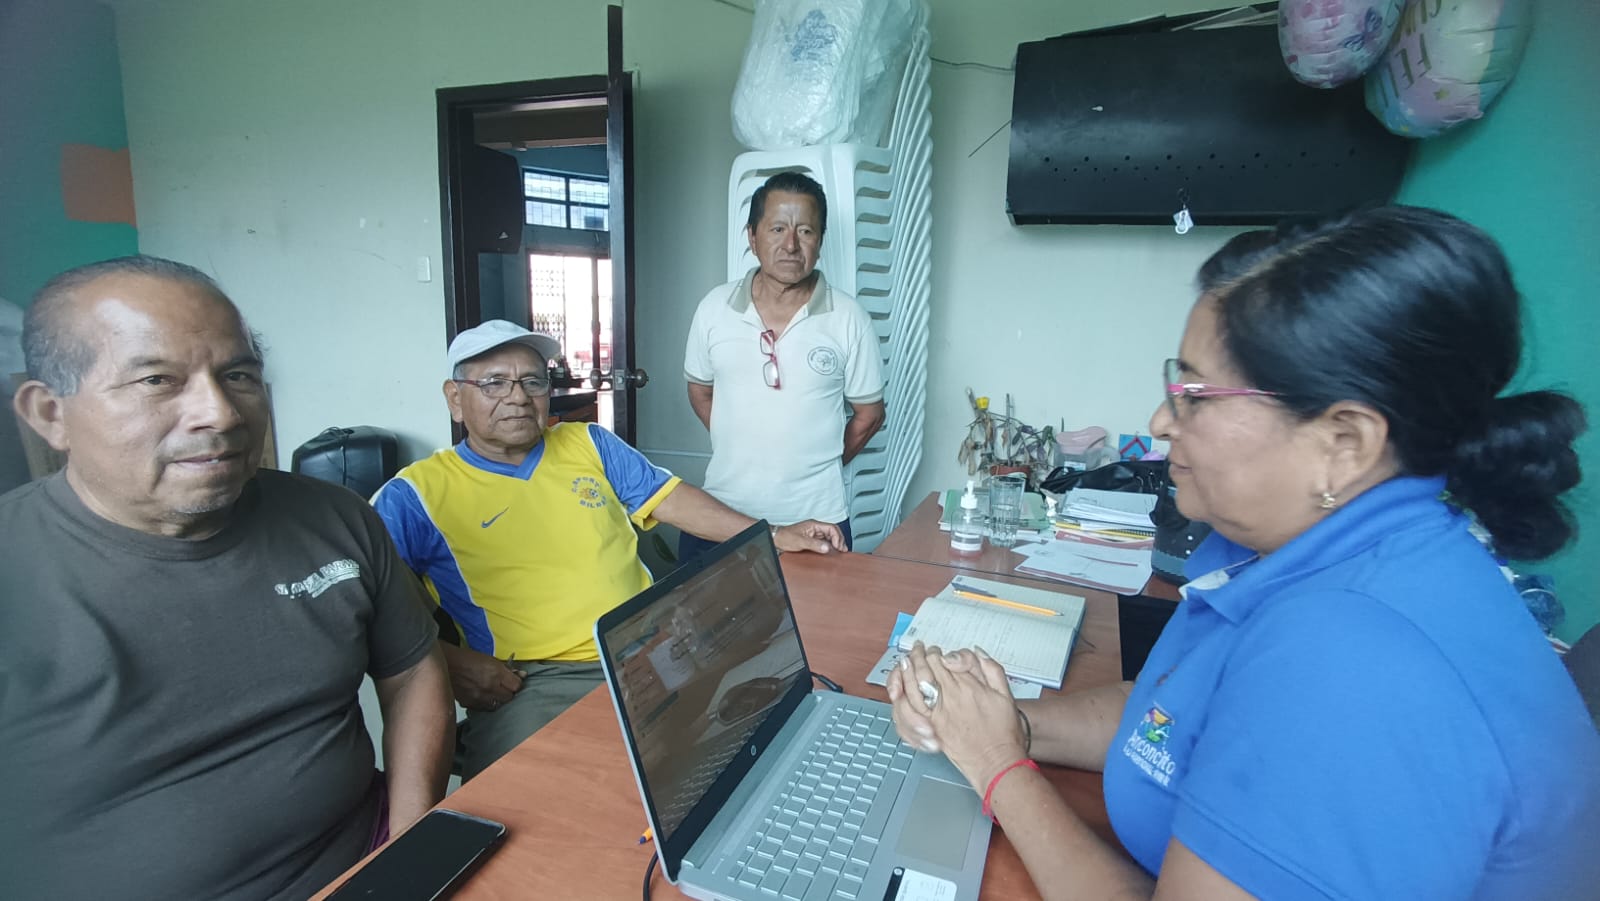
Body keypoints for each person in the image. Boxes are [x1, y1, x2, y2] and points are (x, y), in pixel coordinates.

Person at [887, 207, 1600, 900]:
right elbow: (1168, 718)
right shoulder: (1313, 547)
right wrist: (1011, 723)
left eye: (1195, 395)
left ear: (1344, 443)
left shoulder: (1357, 657)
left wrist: (997, 767)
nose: (1161, 420)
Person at [0, 256, 454, 900]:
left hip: (369, 857)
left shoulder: (336, 518)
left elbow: (411, 673)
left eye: (239, 375)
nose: (220, 413)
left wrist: (408, 846)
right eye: (157, 380)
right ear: (49, 413)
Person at [372, 319, 845, 779]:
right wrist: (449, 662)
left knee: (769, 732)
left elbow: (671, 499)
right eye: (494, 383)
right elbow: (367, 609)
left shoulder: (588, 443)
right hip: (537, 681)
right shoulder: (415, 495)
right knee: (521, 805)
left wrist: (774, 534)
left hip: (653, 645)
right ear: (455, 398)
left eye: (533, 382)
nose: (518, 397)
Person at [681, 171, 885, 563]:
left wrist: (817, 465)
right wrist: (741, 446)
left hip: (817, 521)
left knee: (820, 608)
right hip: (723, 515)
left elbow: (870, 415)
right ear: (752, 236)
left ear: (820, 241)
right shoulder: (714, 309)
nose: (791, 245)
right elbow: (700, 392)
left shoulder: (849, 318)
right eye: (777, 229)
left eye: (805, 231)